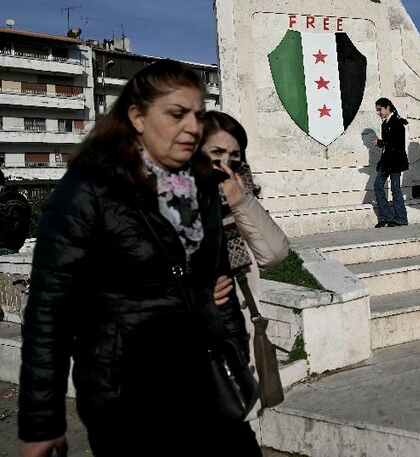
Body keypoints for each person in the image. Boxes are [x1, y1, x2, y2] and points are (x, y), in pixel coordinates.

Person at [18, 61, 261, 457]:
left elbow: (221, 285)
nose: (193, 127)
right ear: (137, 117)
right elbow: (49, 314)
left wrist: (235, 351)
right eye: (177, 114)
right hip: (128, 400)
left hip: (207, 386)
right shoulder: (88, 190)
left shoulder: (202, 185)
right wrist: (41, 424)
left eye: (198, 115)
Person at [201, 111, 292, 416]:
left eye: (234, 155)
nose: (225, 163)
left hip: (240, 364)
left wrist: (241, 202)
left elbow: (274, 254)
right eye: (216, 153)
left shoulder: (241, 207)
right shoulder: (167, 205)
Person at [373, 97, 409, 227]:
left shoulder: (397, 122)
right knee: (378, 185)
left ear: (387, 107)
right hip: (386, 160)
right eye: (377, 110)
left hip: (395, 161)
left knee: (395, 189)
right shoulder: (385, 123)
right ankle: (386, 216)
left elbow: (396, 142)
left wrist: (381, 142)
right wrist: (381, 144)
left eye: (380, 110)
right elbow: (387, 144)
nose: (379, 113)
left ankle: (401, 218)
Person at [0, 169, 32, 255]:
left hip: (6, 246)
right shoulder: (8, 198)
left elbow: (17, 224)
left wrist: (3, 241)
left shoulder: (11, 199)